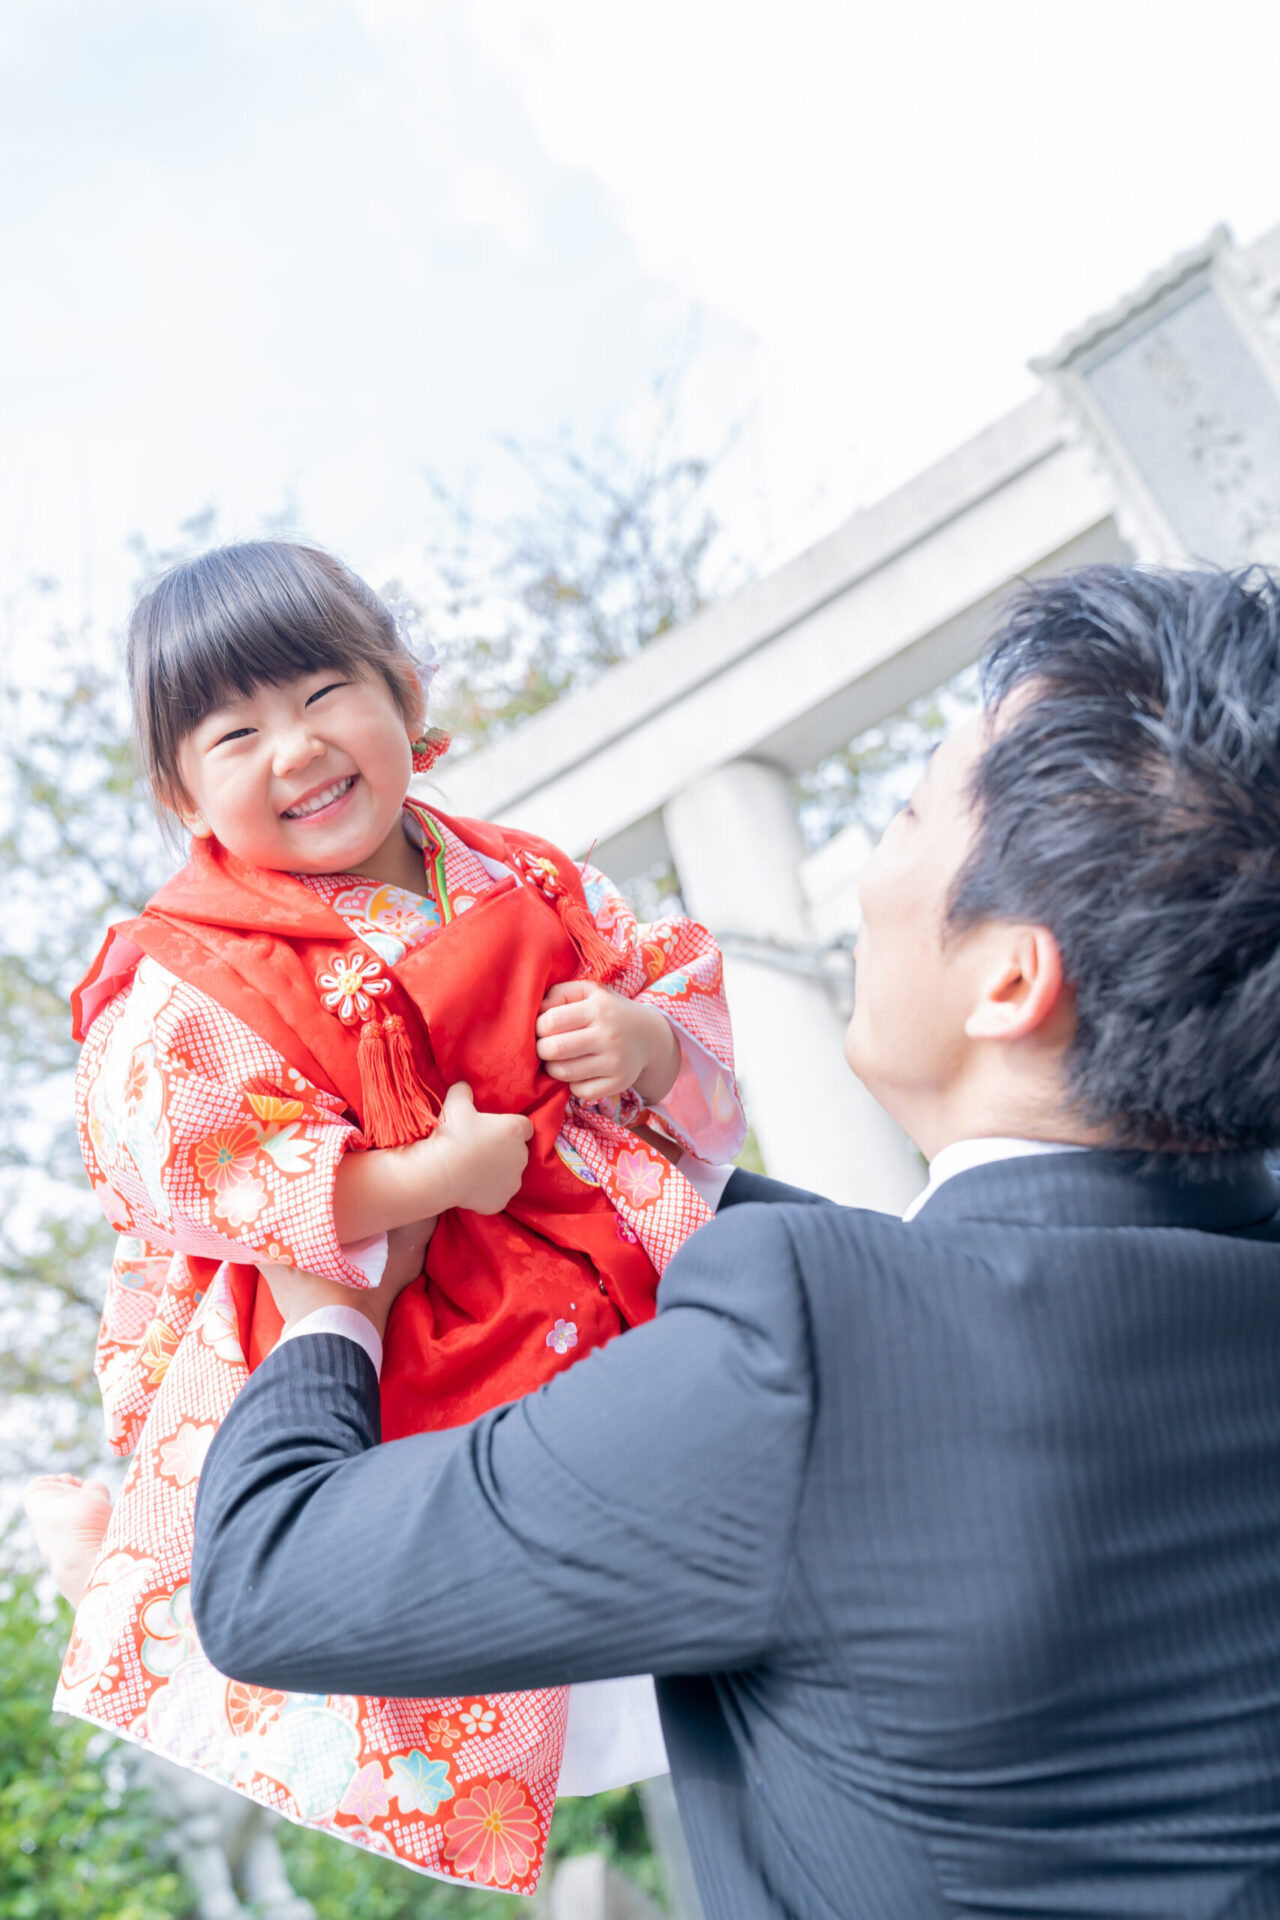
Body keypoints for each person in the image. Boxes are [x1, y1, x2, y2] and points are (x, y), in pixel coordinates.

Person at [193, 565, 1280, 1918]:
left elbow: (268, 1581)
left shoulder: (816, 1351)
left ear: (1011, 978)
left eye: (901, 818)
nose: (869, 879)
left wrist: (327, 1307)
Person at [25, 540, 744, 1894]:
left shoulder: (520, 870)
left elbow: (668, 979)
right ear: (185, 796)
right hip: (369, 1280)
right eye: (235, 732)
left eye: (321, 694)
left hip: (582, 1237)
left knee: (700, 1479)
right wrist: (421, 1183)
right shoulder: (191, 969)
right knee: (338, 1540)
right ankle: (126, 1569)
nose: (293, 749)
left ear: (407, 697)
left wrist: (643, 1042)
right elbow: (192, 1158)